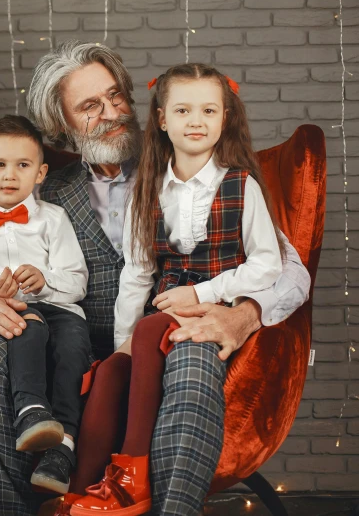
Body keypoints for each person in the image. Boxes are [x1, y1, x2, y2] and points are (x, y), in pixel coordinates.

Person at [0, 41, 311, 516]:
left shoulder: (189, 164)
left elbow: (290, 271)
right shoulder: (42, 192)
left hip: (176, 333)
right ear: (62, 125)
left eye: (116, 95)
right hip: (71, 347)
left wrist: (243, 316)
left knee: (191, 351)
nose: (112, 112)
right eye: (89, 106)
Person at [70, 63, 285, 516]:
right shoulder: (147, 189)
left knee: (150, 331)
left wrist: (204, 294)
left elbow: (268, 264)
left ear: (225, 118)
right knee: (110, 371)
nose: (196, 121)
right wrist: (122, 347)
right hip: (162, 314)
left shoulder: (240, 185)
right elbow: (138, 272)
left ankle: (133, 477)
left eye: (209, 110)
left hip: (217, 312)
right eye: (183, 110)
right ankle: (80, 493)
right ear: (162, 119)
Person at [0, 115, 92, 495]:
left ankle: (63, 450)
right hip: (15, 315)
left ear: (40, 173)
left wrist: (45, 281)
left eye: (22, 165)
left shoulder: (54, 220)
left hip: (60, 310)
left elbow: (77, 282)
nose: (10, 175)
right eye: (0, 165)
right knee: (30, 323)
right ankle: (31, 413)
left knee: (73, 347)